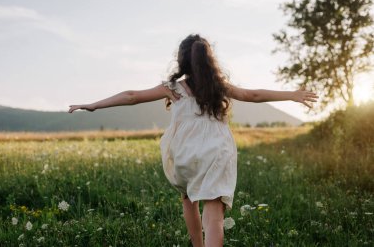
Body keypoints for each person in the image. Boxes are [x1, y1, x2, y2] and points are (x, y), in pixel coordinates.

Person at [68, 34, 318, 247]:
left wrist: (94, 105)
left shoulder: (174, 88)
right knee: (214, 212)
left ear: (182, 60)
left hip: (185, 152)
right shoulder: (219, 86)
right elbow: (252, 94)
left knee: (189, 198)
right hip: (217, 152)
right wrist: (291, 95)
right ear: (209, 60)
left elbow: (132, 96)